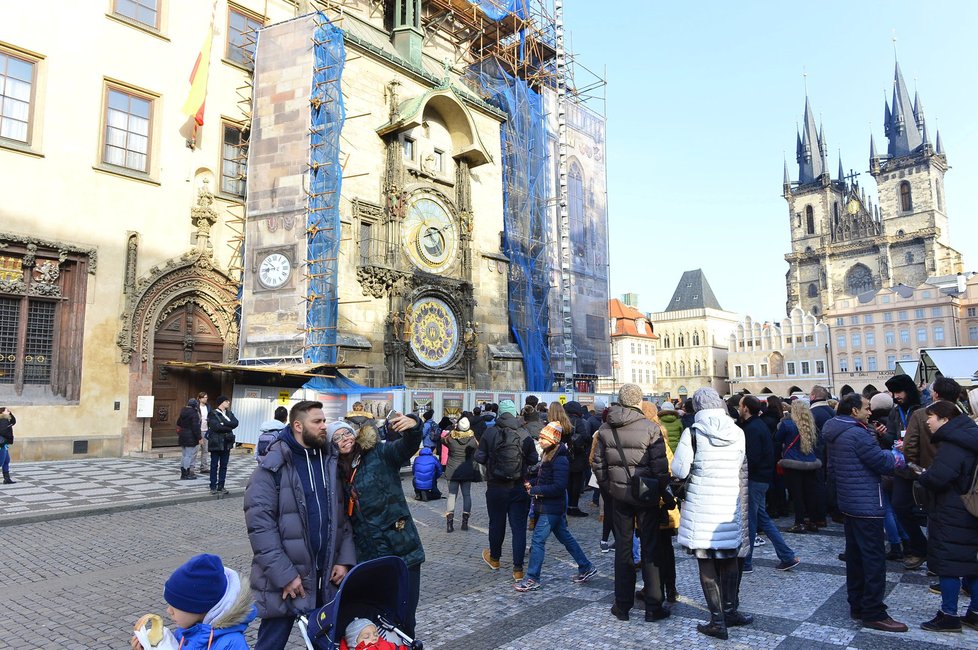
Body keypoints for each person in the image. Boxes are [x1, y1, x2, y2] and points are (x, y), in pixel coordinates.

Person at [244, 400, 356, 650]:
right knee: (270, 644)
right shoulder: (271, 467)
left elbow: (341, 516)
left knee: (324, 643)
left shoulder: (329, 462)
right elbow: (260, 529)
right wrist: (285, 576)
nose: (324, 426)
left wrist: (344, 559)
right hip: (286, 581)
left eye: (324, 420)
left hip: (325, 576)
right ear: (297, 425)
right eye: (317, 422)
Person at [822, 393, 908, 633]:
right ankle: (873, 611)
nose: (870, 412)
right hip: (866, 502)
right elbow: (882, 463)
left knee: (857, 556)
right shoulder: (858, 434)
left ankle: (858, 604)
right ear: (853, 411)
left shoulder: (836, 431)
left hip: (850, 502)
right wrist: (899, 456)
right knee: (873, 559)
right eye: (866, 408)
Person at [671, 387, 751, 640]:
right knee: (729, 559)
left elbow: (680, 470)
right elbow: (739, 464)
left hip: (702, 505)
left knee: (706, 563)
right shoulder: (737, 431)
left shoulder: (693, 432)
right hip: (728, 502)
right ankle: (730, 610)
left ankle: (717, 621)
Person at [335, 415, 425, 637]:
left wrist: (414, 426)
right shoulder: (336, 472)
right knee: (380, 619)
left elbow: (406, 447)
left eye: (347, 432)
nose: (344, 438)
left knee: (405, 620)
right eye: (337, 437)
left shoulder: (380, 453)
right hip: (368, 559)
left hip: (402, 550)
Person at [593, 384, 670, 623]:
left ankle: (623, 605)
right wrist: (658, 490)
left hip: (618, 496)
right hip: (646, 495)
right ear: (640, 401)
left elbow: (598, 465)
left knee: (624, 548)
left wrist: (610, 487)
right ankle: (653, 606)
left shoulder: (605, 429)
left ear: (619, 401)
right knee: (650, 547)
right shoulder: (651, 428)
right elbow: (660, 468)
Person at [916, 400, 978, 633]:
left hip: (953, 511)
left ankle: (949, 615)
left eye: (930, 417)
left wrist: (922, 475)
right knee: (971, 564)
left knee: (949, 565)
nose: (927, 421)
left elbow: (938, 478)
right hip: (972, 507)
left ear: (945, 419)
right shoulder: (971, 435)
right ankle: (975, 613)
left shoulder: (954, 444)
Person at [515, 421, 598, 592]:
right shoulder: (548, 454)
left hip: (551, 507)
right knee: (565, 538)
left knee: (537, 541)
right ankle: (586, 566)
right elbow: (545, 479)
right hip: (548, 505)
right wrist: (531, 483)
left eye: (543, 438)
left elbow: (559, 487)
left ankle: (532, 578)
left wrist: (536, 490)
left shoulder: (559, 459)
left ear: (553, 440)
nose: (540, 440)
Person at [130, 553, 256, 650]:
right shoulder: (184, 632)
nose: (169, 611)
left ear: (199, 607)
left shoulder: (231, 644)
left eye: (176, 606)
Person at [475, 398, 538, 582]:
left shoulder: (490, 432)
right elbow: (534, 459)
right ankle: (518, 570)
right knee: (518, 528)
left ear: (500, 413)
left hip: (495, 487)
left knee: (496, 523)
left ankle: (495, 559)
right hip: (518, 487)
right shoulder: (524, 433)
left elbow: (479, 457)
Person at [739, 396, 799, 572]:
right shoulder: (757, 425)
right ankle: (787, 556)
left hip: (755, 479)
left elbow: (753, 458)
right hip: (763, 478)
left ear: (746, 408)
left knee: (750, 520)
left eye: (741, 406)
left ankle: (746, 562)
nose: (739, 408)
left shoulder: (753, 428)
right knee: (762, 519)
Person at [884, 374, 929, 570]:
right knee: (899, 506)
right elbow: (893, 437)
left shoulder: (923, 410)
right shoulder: (895, 412)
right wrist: (884, 434)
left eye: (899, 392)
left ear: (909, 391)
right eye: (893, 393)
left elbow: (930, 440)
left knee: (931, 512)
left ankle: (933, 554)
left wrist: (910, 447)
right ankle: (920, 547)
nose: (896, 396)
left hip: (921, 467)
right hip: (903, 469)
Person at [640, 401, 680, 603]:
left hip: (651, 499)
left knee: (651, 546)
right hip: (664, 500)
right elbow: (671, 466)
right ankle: (670, 588)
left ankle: (655, 589)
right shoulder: (661, 434)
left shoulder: (647, 435)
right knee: (666, 548)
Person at [776, 401, 823, 533]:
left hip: (793, 463)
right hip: (810, 462)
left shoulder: (788, 424)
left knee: (797, 495)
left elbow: (777, 438)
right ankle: (813, 522)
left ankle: (800, 522)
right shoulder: (810, 425)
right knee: (810, 494)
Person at [444, 416, 479, 533]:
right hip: (466, 470)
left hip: (452, 471)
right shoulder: (472, 440)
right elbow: (478, 446)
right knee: (467, 495)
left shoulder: (451, 439)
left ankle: (449, 524)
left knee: (452, 496)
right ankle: (465, 523)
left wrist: (453, 430)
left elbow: (442, 439)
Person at [563, 401, 592, 517]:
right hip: (577, 457)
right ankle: (573, 506)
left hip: (565, 455)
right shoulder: (578, 421)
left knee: (567, 483)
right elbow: (585, 437)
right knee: (576, 484)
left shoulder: (563, 421)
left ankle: (566, 506)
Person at [206, 396, 238, 496]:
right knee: (214, 465)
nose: (228, 402)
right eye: (226, 401)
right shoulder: (213, 413)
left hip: (226, 443)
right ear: (221, 402)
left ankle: (221, 485)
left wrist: (224, 423)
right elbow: (216, 427)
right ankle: (213, 486)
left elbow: (235, 423)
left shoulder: (229, 413)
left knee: (224, 465)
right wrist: (228, 426)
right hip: (216, 443)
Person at [176, 398, 202, 480]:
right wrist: (199, 438)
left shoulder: (183, 411)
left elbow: (178, 423)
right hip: (190, 436)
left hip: (183, 435)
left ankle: (183, 473)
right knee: (188, 455)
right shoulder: (194, 413)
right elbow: (196, 427)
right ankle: (186, 474)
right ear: (195, 405)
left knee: (184, 455)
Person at [342, 618, 409, 650]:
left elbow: (398, 648)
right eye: (366, 637)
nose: (374, 637)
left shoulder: (384, 643)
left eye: (376, 634)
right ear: (354, 642)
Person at [0, 407, 16, 484]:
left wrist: (10, 413)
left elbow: (14, 421)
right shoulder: (3, 421)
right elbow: (2, 432)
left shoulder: (7, 420)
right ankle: (7, 479)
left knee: (6, 461)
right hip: (2, 444)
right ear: (2, 412)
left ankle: (7, 479)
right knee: (0, 462)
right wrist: (9, 438)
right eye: (7, 410)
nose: (8, 411)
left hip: (4, 444)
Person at [197, 392, 211, 476]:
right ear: (200, 398)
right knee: (195, 450)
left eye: (206, 397)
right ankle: (191, 467)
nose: (206, 399)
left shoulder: (208, 407)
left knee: (205, 450)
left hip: (206, 430)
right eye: (204, 397)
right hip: (198, 430)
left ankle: (204, 467)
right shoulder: (197, 407)